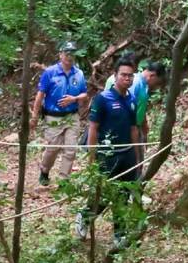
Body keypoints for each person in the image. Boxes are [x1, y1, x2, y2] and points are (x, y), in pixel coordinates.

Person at [75, 56, 144, 248]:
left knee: (123, 194)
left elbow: (134, 129)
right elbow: (93, 128)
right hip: (108, 155)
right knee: (104, 193)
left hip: (127, 153)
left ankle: (119, 234)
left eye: (130, 76)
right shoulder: (103, 99)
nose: (127, 79)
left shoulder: (131, 99)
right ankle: (85, 216)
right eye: (123, 75)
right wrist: (92, 157)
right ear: (115, 76)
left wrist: (137, 156)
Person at [31, 41, 89, 186]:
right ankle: (44, 170)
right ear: (60, 55)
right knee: (53, 148)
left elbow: (85, 94)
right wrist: (34, 116)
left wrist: (74, 99)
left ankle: (64, 180)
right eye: (66, 53)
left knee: (71, 150)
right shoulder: (50, 72)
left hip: (72, 116)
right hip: (53, 117)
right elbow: (40, 95)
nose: (69, 56)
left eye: (72, 54)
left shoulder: (79, 74)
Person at [103, 55, 167, 141]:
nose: (156, 87)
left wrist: (143, 127)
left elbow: (139, 108)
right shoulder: (134, 82)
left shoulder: (143, 86)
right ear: (152, 76)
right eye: (157, 83)